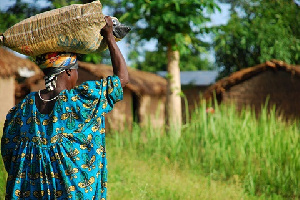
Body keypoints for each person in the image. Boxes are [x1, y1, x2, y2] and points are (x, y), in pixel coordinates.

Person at [1, 16, 128, 200]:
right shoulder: (79, 100)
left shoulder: (22, 108)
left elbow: (9, 152)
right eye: (75, 69)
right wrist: (109, 37)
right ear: (68, 71)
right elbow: (121, 79)